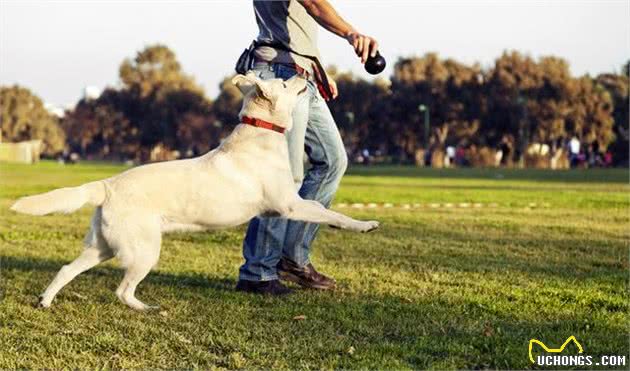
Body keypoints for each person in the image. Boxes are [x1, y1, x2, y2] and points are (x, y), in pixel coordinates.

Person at [235, 0, 379, 295]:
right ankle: (258, 272)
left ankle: (292, 258)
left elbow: (296, 24)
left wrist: (316, 68)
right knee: (284, 177)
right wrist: (352, 34)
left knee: (332, 161)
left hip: (301, 74)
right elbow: (313, 4)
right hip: (279, 74)